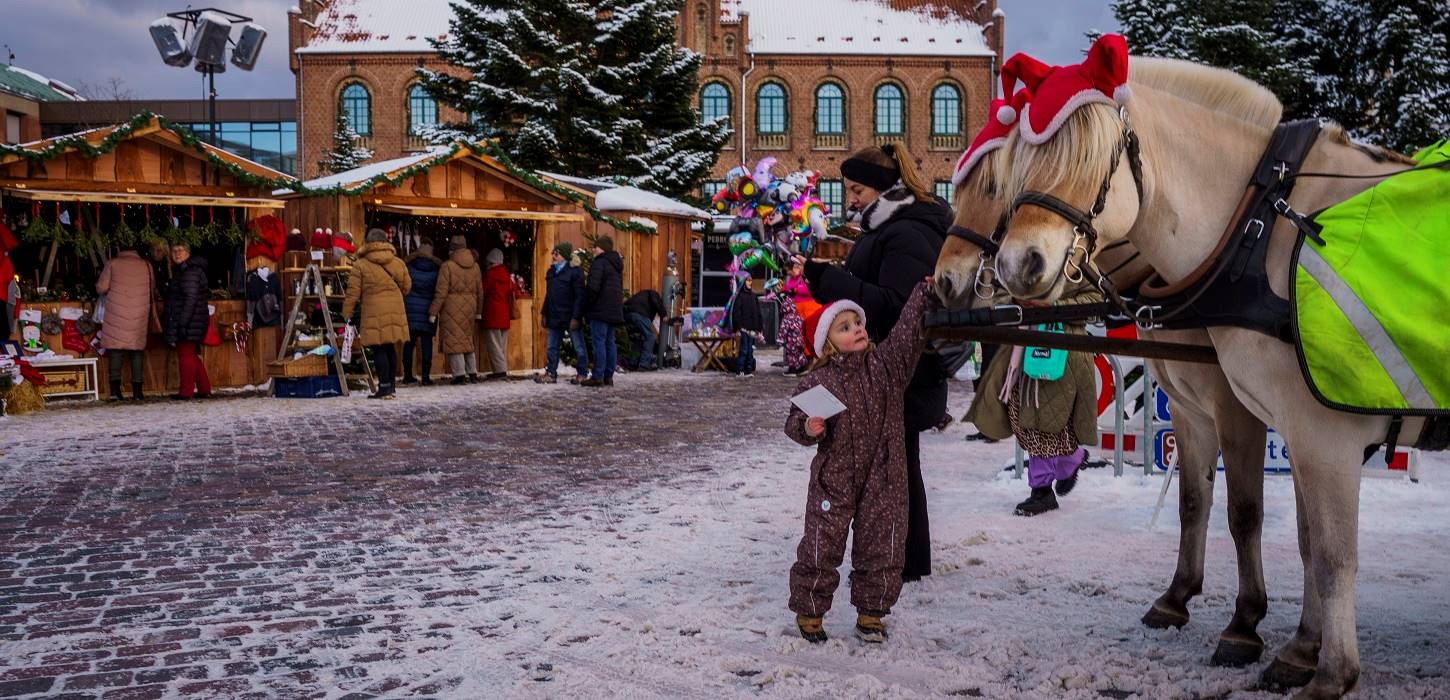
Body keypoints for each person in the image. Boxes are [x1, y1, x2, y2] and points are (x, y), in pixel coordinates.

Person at [799, 141, 950, 582]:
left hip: (902, 374)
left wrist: (830, 281)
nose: (850, 199)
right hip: (890, 373)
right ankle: (904, 558)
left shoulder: (904, 232)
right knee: (896, 468)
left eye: (857, 189)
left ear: (883, 189)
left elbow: (899, 307)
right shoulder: (886, 228)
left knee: (893, 472)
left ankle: (901, 561)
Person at [786, 281, 938, 644]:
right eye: (844, 326)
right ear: (827, 343)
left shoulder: (886, 366)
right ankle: (810, 611)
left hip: (884, 476)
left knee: (882, 544)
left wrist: (922, 294)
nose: (856, 329)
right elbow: (794, 422)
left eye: (857, 322)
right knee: (822, 544)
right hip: (834, 479)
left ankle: (871, 614)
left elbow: (905, 334)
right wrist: (809, 426)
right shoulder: (819, 380)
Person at [964, 290, 1102, 516]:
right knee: (1021, 418)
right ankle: (1070, 459)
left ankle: (1042, 490)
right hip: (1021, 348)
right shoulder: (1019, 257)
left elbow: (1095, 300)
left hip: (1059, 349)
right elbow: (997, 296)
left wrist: (1053, 304)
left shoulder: (1079, 260)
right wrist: (1015, 300)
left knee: (1040, 420)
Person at [342, 229, 412, 400]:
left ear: (368, 243)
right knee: (390, 347)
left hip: (373, 310)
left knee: (378, 347)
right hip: (395, 310)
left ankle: (384, 387)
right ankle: (392, 387)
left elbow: (353, 292)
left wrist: (347, 312)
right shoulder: (398, 262)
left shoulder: (361, 264)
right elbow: (407, 287)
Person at [96, 246, 155, 401]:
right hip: (139, 312)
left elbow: (101, 287)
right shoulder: (146, 265)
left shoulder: (113, 263)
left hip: (116, 314)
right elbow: (152, 287)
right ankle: (137, 392)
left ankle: (115, 391)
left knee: (116, 351)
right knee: (137, 352)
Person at [429, 235, 484, 384]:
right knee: (467, 340)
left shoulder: (447, 266)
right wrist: (478, 311)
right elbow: (480, 291)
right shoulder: (475, 266)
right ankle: (472, 373)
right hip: (470, 308)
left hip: (451, 308)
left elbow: (441, 292)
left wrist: (433, 312)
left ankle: (459, 375)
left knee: (454, 341)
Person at [162, 243, 211, 400]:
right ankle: (204, 388)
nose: (177, 254)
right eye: (174, 251)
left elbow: (190, 298)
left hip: (189, 319)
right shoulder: (185, 270)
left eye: (180, 251)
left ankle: (186, 392)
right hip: (192, 318)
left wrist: (183, 322)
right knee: (191, 355)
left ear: (188, 253)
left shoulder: (189, 271)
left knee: (185, 355)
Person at [536, 242, 588, 384]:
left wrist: (576, 317)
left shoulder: (575, 272)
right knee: (552, 346)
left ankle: (582, 373)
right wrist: (544, 313)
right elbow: (549, 295)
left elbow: (580, 297)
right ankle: (551, 373)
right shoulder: (551, 272)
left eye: (556, 253)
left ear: (564, 256)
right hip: (554, 315)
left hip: (570, 315)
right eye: (553, 253)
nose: (553, 255)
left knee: (578, 346)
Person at [581, 236, 623, 388]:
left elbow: (593, 288)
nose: (593, 249)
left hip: (600, 309)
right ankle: (608, 376)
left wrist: (586, 305)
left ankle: (598, 376)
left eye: (596, 247)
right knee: (610, 342)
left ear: (602, 248)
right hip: (613, 310)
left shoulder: (599, 263)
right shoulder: (616, 265)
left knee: (599, 342)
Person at [402, 241, 441, 385]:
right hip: (427, 312)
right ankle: (425, 377)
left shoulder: (409, 266)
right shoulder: (436, 269)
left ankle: (407, 375)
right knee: (426, 345)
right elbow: (439, 290)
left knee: (409, 344)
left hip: (410, 310)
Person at [480, 248, 513, 380]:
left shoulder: (491, 274)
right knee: (501, 345)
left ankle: (500, 371)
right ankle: (501, 369)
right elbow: (513, 291)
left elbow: (482, 290)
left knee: (494, 345)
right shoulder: (506, 274)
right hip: (504, 314)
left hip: (492, 313)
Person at [768, 278, 808, 377]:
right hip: (799, 340)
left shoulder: (787, 318)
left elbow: (784, 329)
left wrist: (780, 339)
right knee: (799, 353)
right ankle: (803, 366)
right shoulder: (798, 316)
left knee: (791, 355)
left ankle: (792, 370)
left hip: (791, 341)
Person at [728, 276, 763, 377]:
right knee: (744, 349)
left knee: (750, 350)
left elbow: (758, 312)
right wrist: (738, 327)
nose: (750, 282)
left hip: (752, 328)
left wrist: (759, 327)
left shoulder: (753, 296)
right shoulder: (740, 296)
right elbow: (736, 313)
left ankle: (748, 370)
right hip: (744, 328)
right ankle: (740, 370)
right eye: (748, 280)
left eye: (751, 280)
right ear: (743, 282)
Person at [624, 288, 667, 371]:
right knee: (650, 337)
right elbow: (655, 300)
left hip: (627, 315)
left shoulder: (640, 295)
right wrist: (664, 314)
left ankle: (633, 363)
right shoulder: (654, 293)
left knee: (637, 338)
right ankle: (644, 364)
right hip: (639, 314)